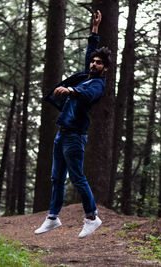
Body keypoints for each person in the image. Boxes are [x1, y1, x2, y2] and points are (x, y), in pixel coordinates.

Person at [35, 10, 111, 238]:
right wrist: (95, 29)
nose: (94, 64)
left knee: (77, 177)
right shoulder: (88, 75)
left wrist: (71, 90)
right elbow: (90, 52)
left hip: (74, 137)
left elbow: (86, 94)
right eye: (93, 61)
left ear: (105, 68)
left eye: (99, 63)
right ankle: (52, 217)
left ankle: (91, 217)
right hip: (62, 133)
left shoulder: (97, 85)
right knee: (56, 177)